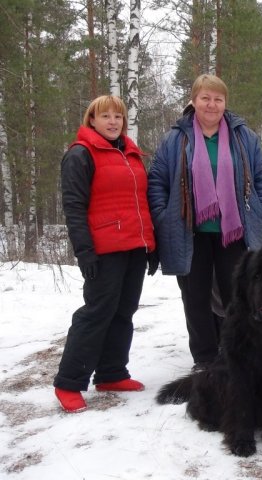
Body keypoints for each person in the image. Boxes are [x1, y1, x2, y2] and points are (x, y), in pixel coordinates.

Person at [148, 74, 262, 370]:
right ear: (193, 101)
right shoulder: (176, 138)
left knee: (238, 296)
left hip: (235, 231)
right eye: (205, 98)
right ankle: (205, 358)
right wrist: (162, 215)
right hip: (188, 230)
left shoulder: (244, 136)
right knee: (195, 297)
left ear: (225, 103)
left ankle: (237, 353)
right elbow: (157, 180)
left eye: (218, 99)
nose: (211, 104)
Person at [54, 95, 158, 413]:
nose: (113, 121)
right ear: (92, 120)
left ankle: (112, 373)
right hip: (103, 250)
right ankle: (68, 383)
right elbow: (74, 207)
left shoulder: (132, 154)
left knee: (123, 312)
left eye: (118, 116)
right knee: (96, 313)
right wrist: (84, 251)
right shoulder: (81, 155)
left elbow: (143, 203)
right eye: (105, 116)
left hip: (134, 248)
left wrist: (151, 245)